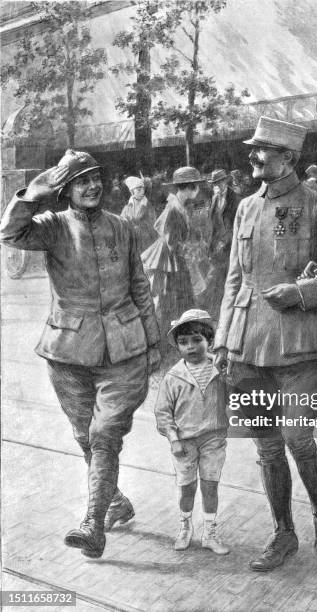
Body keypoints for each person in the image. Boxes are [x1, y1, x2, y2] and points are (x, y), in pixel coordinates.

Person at [0, 149, 161, 559]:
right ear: (65, 189)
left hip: (124, 350)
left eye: (95, 178)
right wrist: (31, 195)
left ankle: (92, 522)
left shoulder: (122, 226)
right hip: (68, 351)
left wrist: (154, 342)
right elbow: (9, 233)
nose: (91, 186)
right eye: (80, 180)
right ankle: (115, 500)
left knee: (104, 435)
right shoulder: (52, 226)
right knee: (83, 435)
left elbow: (140, 285)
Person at [214, 116, 317, 571]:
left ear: (289, 157)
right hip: (248, 347)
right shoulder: (246, 207)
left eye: (262, 150)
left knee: (297, 437)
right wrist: (221, 340)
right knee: (267, 446)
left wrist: (299, 292)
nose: (253, 156)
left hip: (302, 347)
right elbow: (235, 278)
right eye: (252, 149)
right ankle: (283, 534)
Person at [155, 309, 230, 555]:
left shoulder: (220, 371)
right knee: (187, 487)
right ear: (177, 346)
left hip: (214, 438)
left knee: (210, 485)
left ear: (209, 340)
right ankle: (185, 526)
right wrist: (173, 439)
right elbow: (163, 413)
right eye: (183, 342)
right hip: (185, 442)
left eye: (197, 340)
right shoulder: (174, 377)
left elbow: (236, 397)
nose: (190, 347)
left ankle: (209, 531)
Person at [141, 167, 204, 354]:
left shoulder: (179, 205)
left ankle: (180, 341)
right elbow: (170, 241)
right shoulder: (173, 208)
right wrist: (188, 250)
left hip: (177, 258)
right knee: (171, 300)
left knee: (182, 298)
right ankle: (164, 346)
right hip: (170, 261)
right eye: (196, 186)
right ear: (188, 188)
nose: (198, 190)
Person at [202, 169, 241, 320]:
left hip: (229, 246)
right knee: (217, 281)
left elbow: (236, 226)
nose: (216, 186)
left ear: (225, 182)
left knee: (228, 280)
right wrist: (210, 242)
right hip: (216, 247)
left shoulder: (236, 199)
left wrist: (224, 242)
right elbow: (212, 223)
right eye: (214, 184)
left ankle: (228, 314)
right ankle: (218, 313)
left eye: (218, 183)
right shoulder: (214, 198)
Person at [121, 176, 156, 252]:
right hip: (132, 242)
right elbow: (122, 224)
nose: (142, 192)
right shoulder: (127, 207)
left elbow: (153, 225)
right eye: (139, 190)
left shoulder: (147, 206)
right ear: (132, 191)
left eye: (143, 189)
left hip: (146, 241)